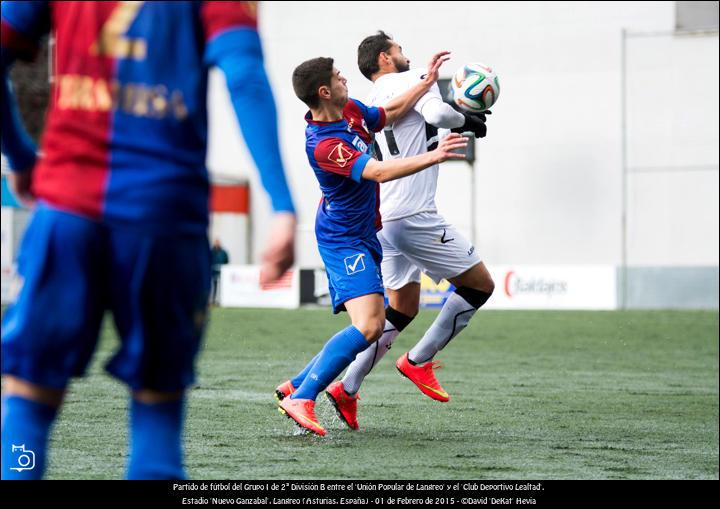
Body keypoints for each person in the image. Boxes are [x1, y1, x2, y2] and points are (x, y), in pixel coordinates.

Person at [1, 1, 296, 479]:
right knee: (157, 405)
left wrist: (20, 156)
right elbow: (244, 76)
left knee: (31, 395)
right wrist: (281, 203)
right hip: (164, 219)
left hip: (68, 211)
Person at [273, 52, 469, 436]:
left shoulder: (351, 111)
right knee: (368, 326)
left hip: (364, 232)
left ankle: (296, 384)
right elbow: (377, 172)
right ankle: (304, 396)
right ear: (325, 91)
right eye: (338, 75)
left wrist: (425, 85)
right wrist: (434, 155)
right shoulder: (325, 144)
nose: (346, 77)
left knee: (373, 324)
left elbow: (389, 113)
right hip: (343, 239)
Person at [322, 31, 495, 430]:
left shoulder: (368, 103)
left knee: (401, 309)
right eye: (399, 49)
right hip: (415, 215)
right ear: (385, 57)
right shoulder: (415, 81)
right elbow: (437, 116)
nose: (406, 54)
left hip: (384, 215)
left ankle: (346, 389)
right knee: (479, 286)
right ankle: (418, 361)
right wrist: (466, 119)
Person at [210, 239, 230, 305]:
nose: (217, 243)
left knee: (221, 288)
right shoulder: (211, 251)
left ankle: (220, 301)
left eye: (218, 242)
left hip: (222, 273)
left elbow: (227, 261)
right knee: (213, 287)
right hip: (212, 273)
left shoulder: (223, 252)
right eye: (216, 242)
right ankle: (212, 300)